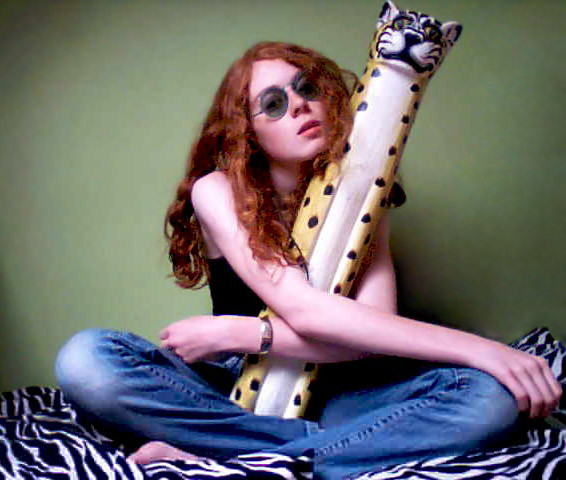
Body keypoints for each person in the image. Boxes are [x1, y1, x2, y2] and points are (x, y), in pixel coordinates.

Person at [55, 42, 562, 480]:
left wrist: (239, 331)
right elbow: (309, 312)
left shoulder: (365, 193)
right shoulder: (217, 190)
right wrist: (483, 348)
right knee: (86, 361)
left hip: (341, 396)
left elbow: (373, 334)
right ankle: (324, 451)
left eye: (306, 88)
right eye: (273, 104)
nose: (298, 105)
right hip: (235, 390)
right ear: (248, 132)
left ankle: (232, 457)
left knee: (490, 398)